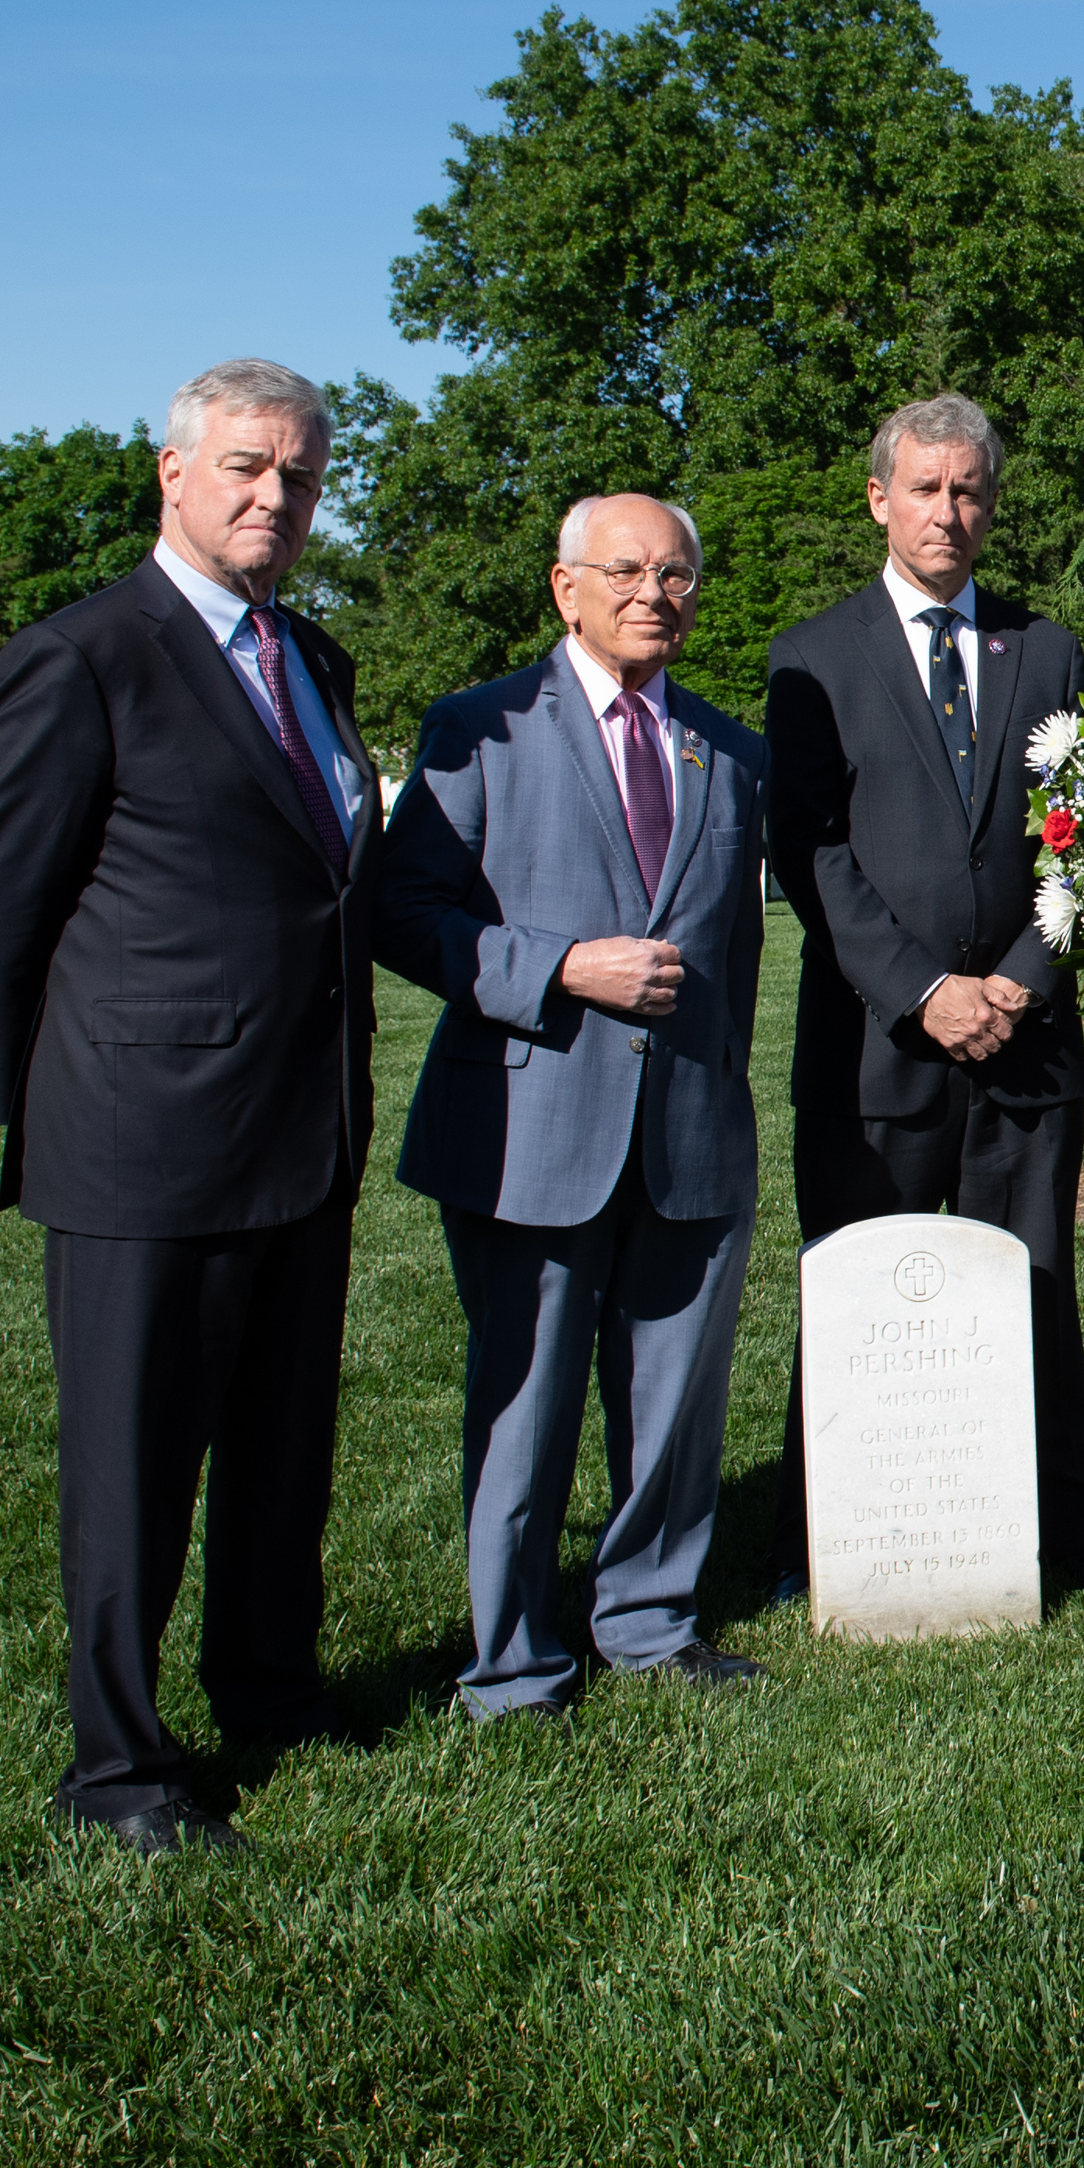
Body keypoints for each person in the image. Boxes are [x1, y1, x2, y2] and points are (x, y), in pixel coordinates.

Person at [0, 359, 377, 1857]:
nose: (275, 496)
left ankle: (266, 1683)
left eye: (301, 475)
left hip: (301, 1130)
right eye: (249, 467)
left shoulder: (311, 657)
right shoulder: (86, 655)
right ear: (173, 473)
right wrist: (58, 1097)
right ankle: (116, 1767)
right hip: (139, 1142)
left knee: (281, 1445)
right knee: (132, 1470)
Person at [373, 493, 771, 1724]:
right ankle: (513, 1662)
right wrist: (554, 966)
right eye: (627, 570)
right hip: (529, 1129)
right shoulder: (482, 730)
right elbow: (399, 915)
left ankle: (651, 1620)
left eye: (676, 574)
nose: (654, 592)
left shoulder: (729, 749)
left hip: (690, 1132)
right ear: (567, 587)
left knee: (673, 1408)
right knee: (526, 1406)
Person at [761, 395, 1084, 1607]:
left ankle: (1071, 1535)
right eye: (924, 489)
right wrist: (923, 992)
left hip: (1024, 1042)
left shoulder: (1048, 650)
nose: (948, 512)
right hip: (877, 1041)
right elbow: (811, 855)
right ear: (880, 499)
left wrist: (1019, 983)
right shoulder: (813, 656)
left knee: (1034, 1284)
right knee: (857, 1295)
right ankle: (822, 1543)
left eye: (968, 490)